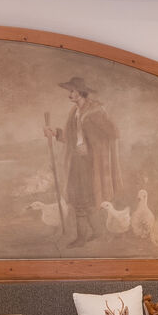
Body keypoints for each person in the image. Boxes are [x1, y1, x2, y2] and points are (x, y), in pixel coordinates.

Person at [44, 76, 121, 247]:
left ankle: (86, 236)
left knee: (86, 198)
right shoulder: (75, 112)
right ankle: (93, 233)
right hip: (76, 160)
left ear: (80, 92)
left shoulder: (95, 111)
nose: (69, 94)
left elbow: (112, 133)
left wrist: (90, 147)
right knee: (78, 197)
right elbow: (71, 138)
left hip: (90, 162)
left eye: (72, 91)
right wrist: (55, 134)